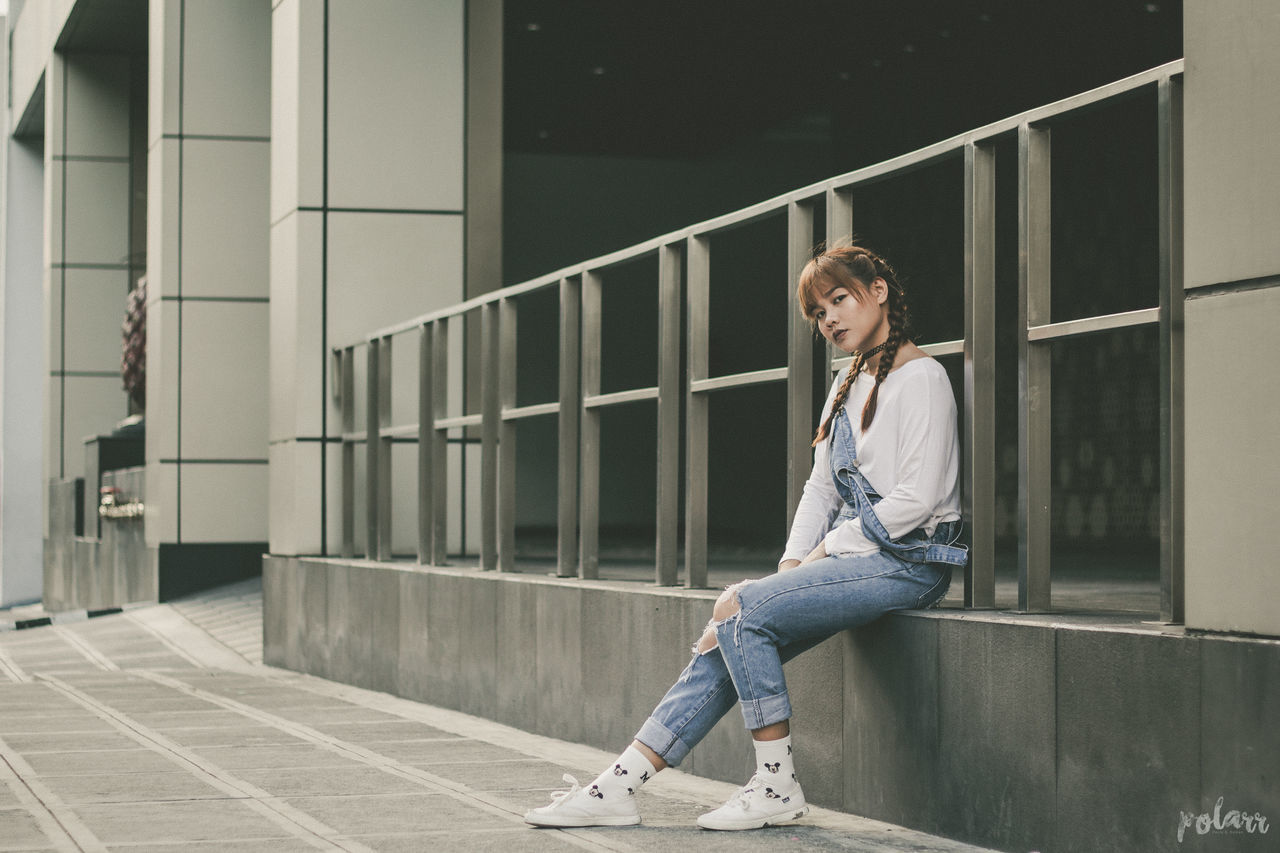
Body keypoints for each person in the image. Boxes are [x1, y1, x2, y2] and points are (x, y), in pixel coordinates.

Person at [524, 244, 967, 831]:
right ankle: (619, 785)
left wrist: (819, 555)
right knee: (729, 635)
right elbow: (820, 490)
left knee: (740, 613)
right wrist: (788, 569)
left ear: (878, 291)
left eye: (839, 300)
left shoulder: (923, 378)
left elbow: (917, 499)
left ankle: (777, 786)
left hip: (910, 562)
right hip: (855, 557)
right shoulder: (845, 385)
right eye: (818, 312)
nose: (830, 319)